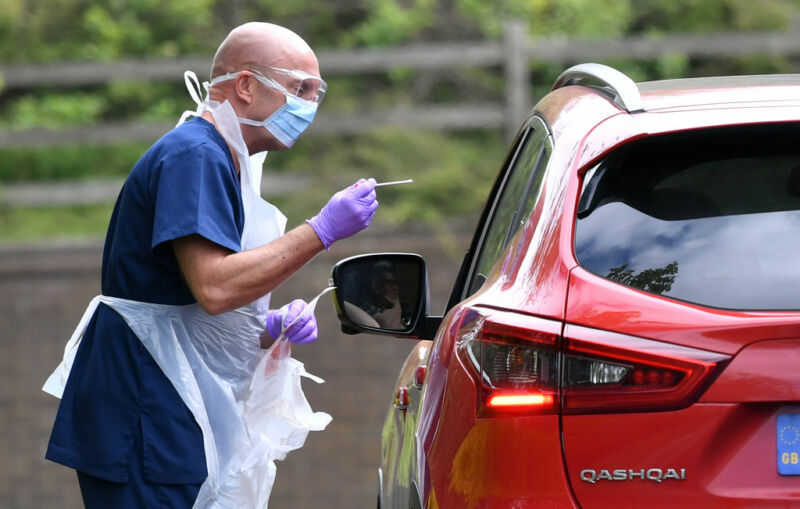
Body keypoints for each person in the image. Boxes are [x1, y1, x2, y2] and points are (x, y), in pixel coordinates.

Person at [43, 22, 378, 508]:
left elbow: (178, 296)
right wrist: (321, 231)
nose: (309, 105)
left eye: (316, 92)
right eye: (299, 87)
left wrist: (265, 327)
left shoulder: (223, 158)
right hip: (146, 402)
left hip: (166, 396)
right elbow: (215, 288)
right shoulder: (195, 155)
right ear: (245, 86)